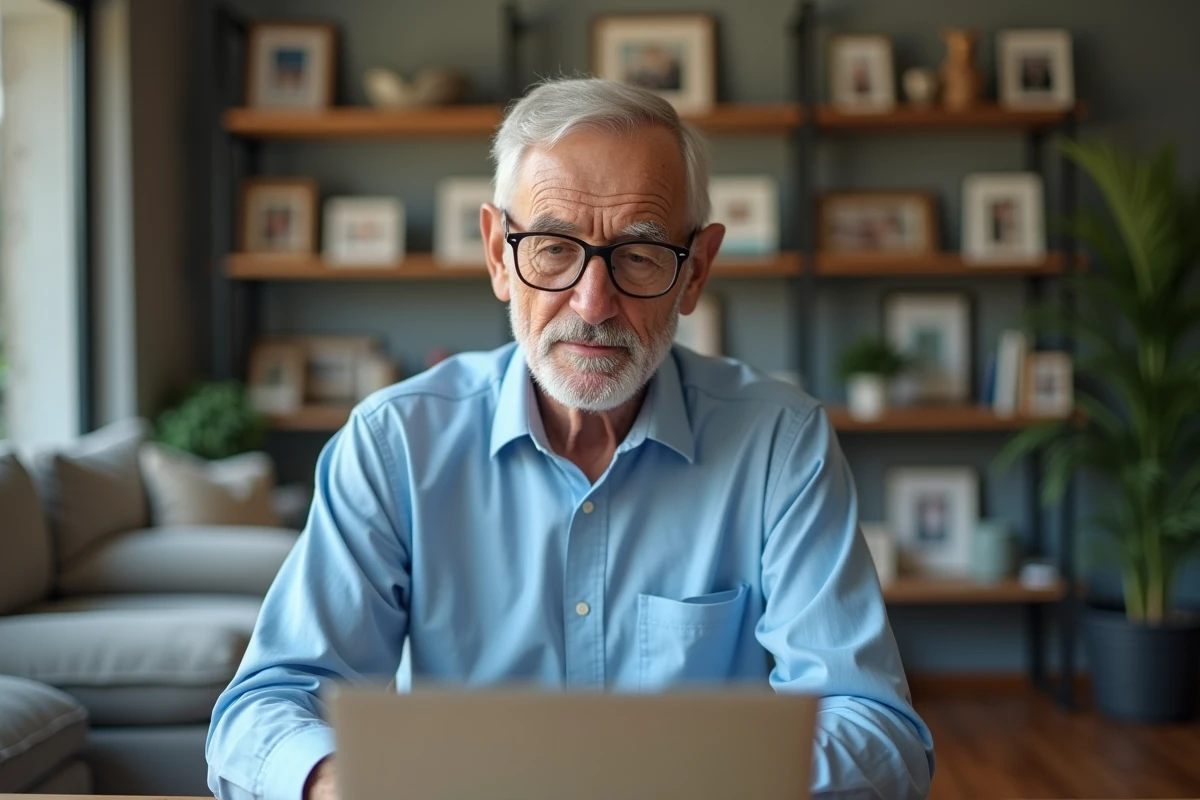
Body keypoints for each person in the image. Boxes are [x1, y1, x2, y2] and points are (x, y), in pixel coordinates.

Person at [206, 77, 935, 800]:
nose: (593, 303)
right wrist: (338, 784)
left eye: (640, 255)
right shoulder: (395, 442)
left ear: (696, 271)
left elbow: (875, 727)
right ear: (498, 254)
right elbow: (263, 709)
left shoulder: (782, 443)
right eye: (554, 248)